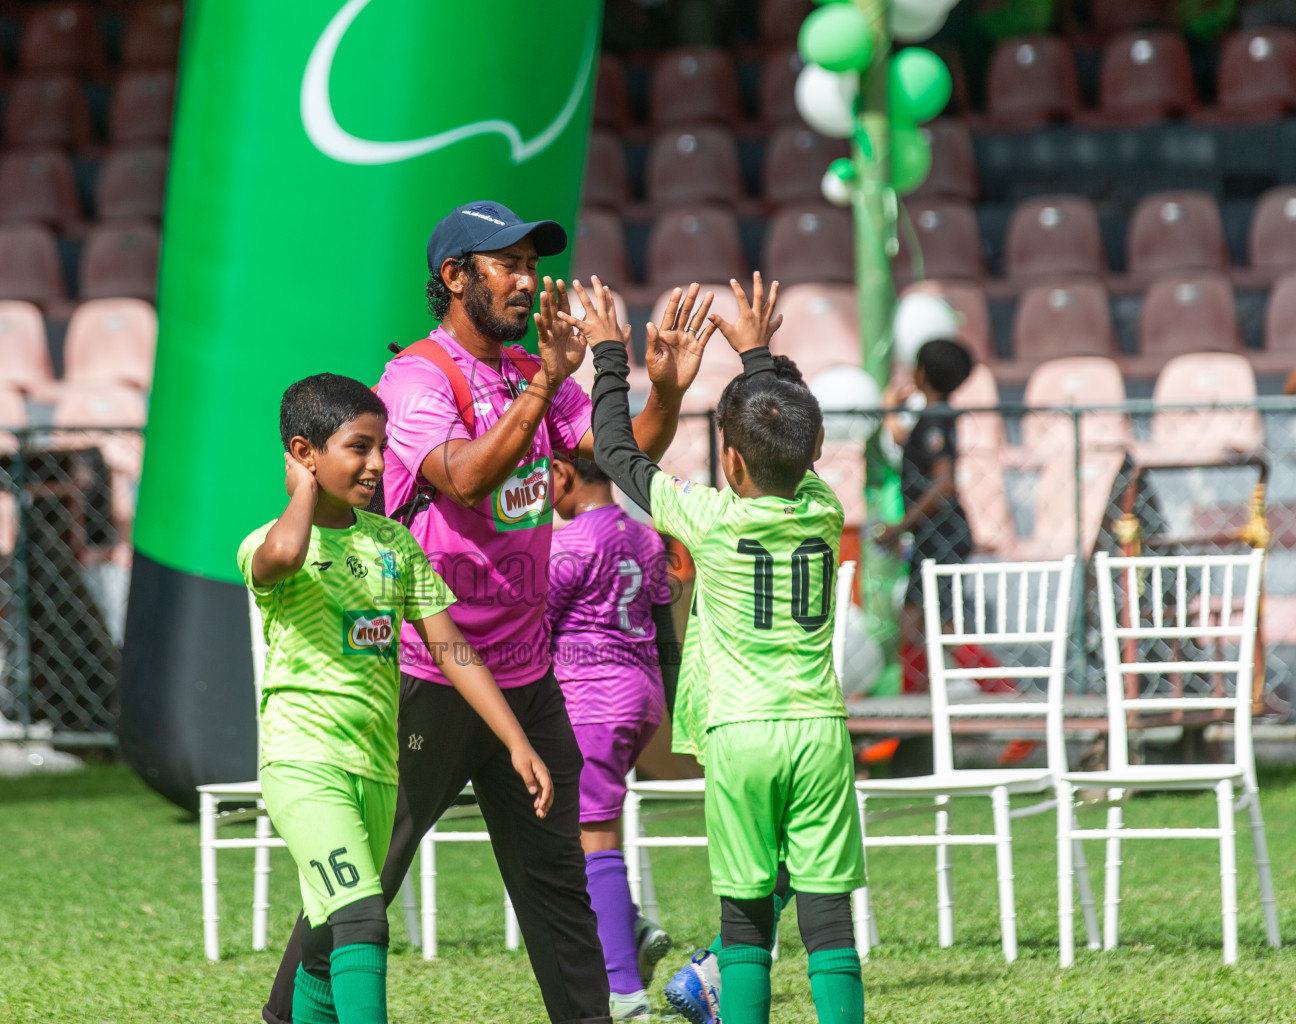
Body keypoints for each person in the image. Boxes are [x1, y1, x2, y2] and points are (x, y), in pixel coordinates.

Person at [262, 201, 713, 1024]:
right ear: (455, 277)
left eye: (531, 262)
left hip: (527, 675)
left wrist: (670, 391)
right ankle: (288, 1015)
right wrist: (545, 382)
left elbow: (618, 453)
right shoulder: (415, 381)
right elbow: (465, 477)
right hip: (427, 673)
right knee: (360, 885)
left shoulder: (526, 372)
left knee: (559, 893)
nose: (527, 278)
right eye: (505, 263)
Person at [563, 273, 866, 1024]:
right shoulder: (825, 511)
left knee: (746, 922)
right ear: (817, 449)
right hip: (819, 729)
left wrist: (608, 352)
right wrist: (757, 355)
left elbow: (610, 448)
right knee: (827, 916)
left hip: (738, 733)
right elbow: (787, 439)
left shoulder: (706, 517)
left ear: (729, 463)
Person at [240, 373, 554, 1024]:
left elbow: (453, 649)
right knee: (362, 918)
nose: (379, 464)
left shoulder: (392, 545)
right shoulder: (268, 544)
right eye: (358, 447)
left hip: (376, 773)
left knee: (327, 942)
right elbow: (286, 552)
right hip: (306, 769)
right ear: (305, 454)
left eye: (382, 447)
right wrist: (301, 491)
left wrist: (515, 739)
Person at [545, 455, 680, 1019]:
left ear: (564, 472)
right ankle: (633, 927)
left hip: (591, 702)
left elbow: (536, 624)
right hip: (641, 696)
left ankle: (624, 991)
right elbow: (665, 624)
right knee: (594, 832)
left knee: (592, 840)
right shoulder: (648, 539)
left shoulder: (568, 544)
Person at [874, 338, 976, 665]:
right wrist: (891, 413)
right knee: (922, 617)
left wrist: (901, 526)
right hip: (933, 535)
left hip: (941, 535)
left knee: (934, 622)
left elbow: (943, 483)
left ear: (921, 372)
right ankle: (922, 685)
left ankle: (998, 685)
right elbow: (913, 446)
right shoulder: (936, 415)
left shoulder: (935, 420)